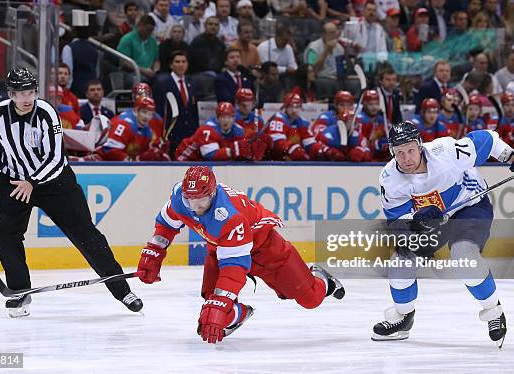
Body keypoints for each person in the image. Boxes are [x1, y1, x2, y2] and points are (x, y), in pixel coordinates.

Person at [0, 68, 142, 317]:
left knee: (86, 235)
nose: (27, 97)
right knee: (3, 235)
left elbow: (55, 157)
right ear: (10, 94)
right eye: (21, 93)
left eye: (30, 91)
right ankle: (20, 292)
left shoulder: (46, 112)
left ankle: (123, 291)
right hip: (13, 182)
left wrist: (32, 181)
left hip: (55, 183)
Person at [373, 120, 514, 347]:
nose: (406, 158)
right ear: (392, 153)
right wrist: (415, 222)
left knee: (463, 255)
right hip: (434, 222)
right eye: (399, 153)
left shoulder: (446, 151)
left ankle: (493, 311)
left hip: (471, 206)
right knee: (401, 260)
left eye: (410, 150)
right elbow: (396, 221)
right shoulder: (390, 179)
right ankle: (403, 317)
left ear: (420, 146)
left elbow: (487, 139)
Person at [136, 166, 345, 344]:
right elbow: (166, 224)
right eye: (190, 200)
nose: (195, 208)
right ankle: (239, 314)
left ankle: (323, 280)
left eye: (201, 201)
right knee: (209, 313)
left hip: (265, 249)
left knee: (311, 299)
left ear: (212, 194)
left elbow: (234, 268)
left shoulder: (229, 215)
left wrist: (220, 303)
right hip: (222, 248)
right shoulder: (180, 199)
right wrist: (154, 253)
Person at [153, 51, 199, 156]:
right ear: (171, 65)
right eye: (177, 62)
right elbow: (158, 110)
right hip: (170, 135)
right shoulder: (162, 83)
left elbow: (193, 110)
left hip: (188, 136)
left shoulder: (191, 82)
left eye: (184, 61)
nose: (181, 64)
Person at [98, 96, 168, 161]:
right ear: (136, 111)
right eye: (144, 112)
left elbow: (143, 153)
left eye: (150, 114)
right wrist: (134, 161)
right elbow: (109, 150)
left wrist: (159, 149)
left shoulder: (147, 130)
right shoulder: (123, 124)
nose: (147, 117)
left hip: (122, 166)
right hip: (102, 161)